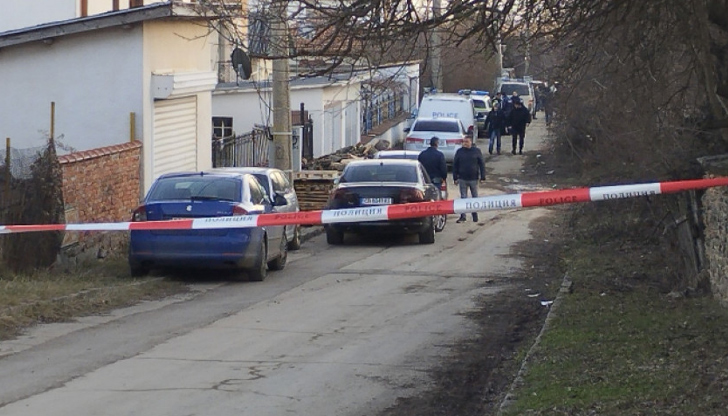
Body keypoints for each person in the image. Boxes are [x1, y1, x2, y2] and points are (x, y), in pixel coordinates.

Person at [452, 137, 486, 223]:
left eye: (467, 142)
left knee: (474, 197)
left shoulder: (476, 151)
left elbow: (482, 164)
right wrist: (455, 177)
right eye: (463, 142)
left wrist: (483, 177)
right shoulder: (459, 152)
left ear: (471, 142)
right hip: (462, 178)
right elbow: (455, 165)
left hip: (473, 178)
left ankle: (475, 215)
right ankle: (463, 216)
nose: (465, 143)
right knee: (463, 197)